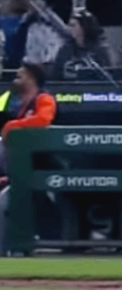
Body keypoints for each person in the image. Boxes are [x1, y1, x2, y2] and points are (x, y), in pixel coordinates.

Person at [0, 61, 56, 254]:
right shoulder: (18, 103)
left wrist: (12, 126)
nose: (16, 79)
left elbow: (43, 120)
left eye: (20, 75)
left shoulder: (44, 98)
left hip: (44, 164)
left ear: (31, 78)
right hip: (20, 169)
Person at [52, 9, 111, 81]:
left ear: (84, 27)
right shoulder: (65, 50)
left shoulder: (100, 50)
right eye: (69, 25)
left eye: (73, 25)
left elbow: (106, 76)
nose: (69, 29)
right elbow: (55, 77)